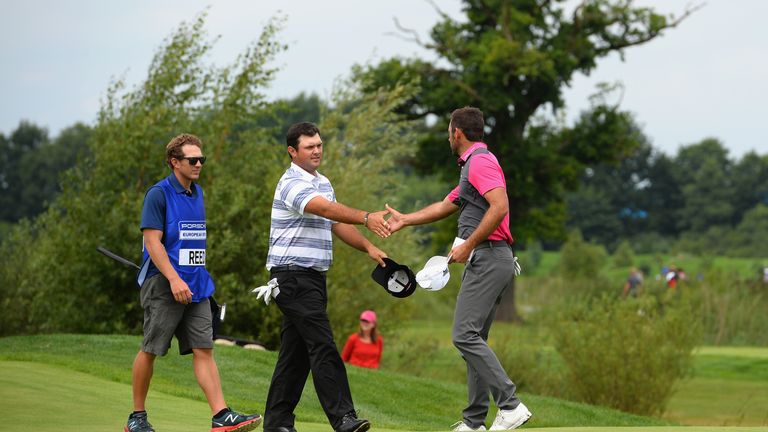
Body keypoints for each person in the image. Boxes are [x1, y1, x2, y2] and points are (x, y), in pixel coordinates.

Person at [386, 107, 532, 431]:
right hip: (490, 258)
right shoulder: (471, 167)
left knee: (463, 335)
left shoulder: (480, 162)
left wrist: (468, 244)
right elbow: (446, 204)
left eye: (448, 131)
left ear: (457, 133)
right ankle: (474, 421)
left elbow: (500, 207)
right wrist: (405, 220)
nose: (448, 136)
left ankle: (509, 404)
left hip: (489, 256)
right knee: (475, 338)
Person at [127, 134, 261, 432]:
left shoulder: (197, 192)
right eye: (192, 160)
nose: (199, 164)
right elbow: (152, 242)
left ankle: (221, 414)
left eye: (202, 159)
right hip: (163, 284)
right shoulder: (158, 194)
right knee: (151, 349)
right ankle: (137, 417)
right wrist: (174, 279)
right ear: (175, 162)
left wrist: (192, 279)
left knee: (204, 348)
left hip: (197, 285)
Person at [262, 122, 391, 432]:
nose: (317, 150)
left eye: (319, 144)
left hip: (313, 279)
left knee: (296, 354)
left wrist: (369, 247)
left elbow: (333, 223)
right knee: (322, 344)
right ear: (293, 152)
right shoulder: (291, 182)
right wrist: (365, 217)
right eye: (309, 146)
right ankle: (343, 418)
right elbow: (325, 209)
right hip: (292, 277)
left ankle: (278, 422)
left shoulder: (324, 182)